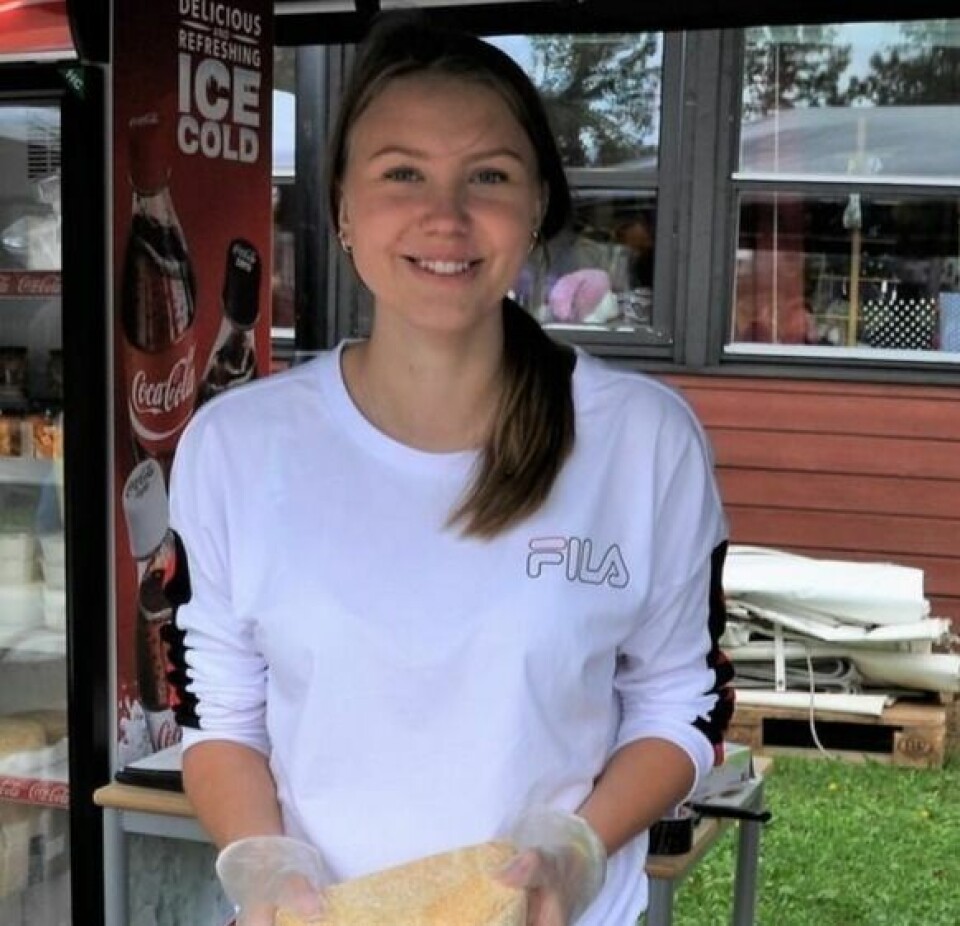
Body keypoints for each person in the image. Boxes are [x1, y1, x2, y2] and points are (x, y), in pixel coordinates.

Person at [165, 11, 734, 926]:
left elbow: (684, 701)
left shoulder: (643, 442)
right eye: (402, 174)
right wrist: (269, 873)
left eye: (490, 176)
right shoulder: (236, 446)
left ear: (539, 202)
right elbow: (220, 710)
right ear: (343, 205)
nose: (446, 216)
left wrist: (576, 848)